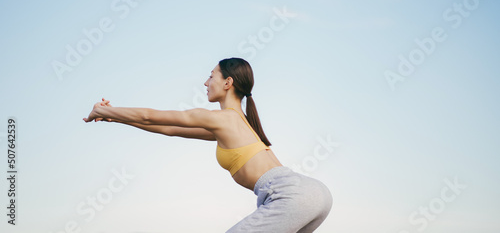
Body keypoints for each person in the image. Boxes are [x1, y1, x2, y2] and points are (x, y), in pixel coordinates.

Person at [83, 57, 332, 232]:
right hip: (313, 194)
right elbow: (168, 129)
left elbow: (150, 115)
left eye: (211, 76)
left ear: (228, 83)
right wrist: (114, 116)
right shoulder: (234, 124)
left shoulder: (221, 119)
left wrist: (105, 109)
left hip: (289, 195)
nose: (205, 83)